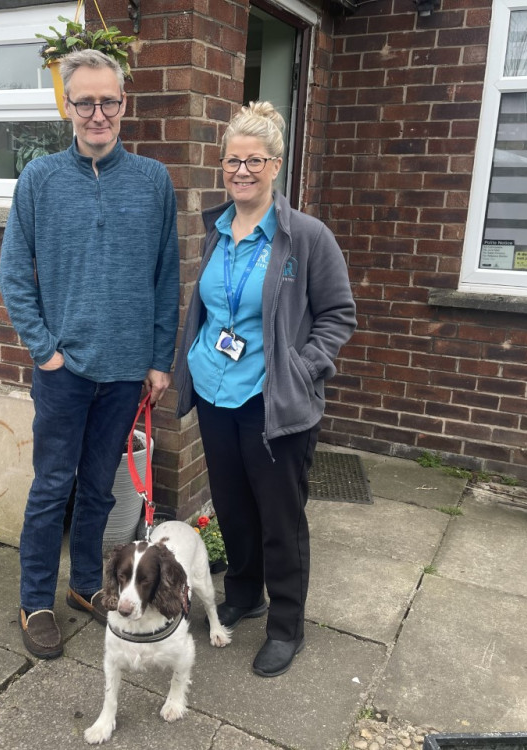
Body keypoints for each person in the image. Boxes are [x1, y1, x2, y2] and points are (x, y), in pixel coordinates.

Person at [0, 49, 179, 660]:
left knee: (100, 491)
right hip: (64, 371)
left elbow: (165, 277)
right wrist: (44, 351)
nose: (97, 113)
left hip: (127, 372)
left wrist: (159, 360)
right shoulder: (40, 180)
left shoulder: (153, 181)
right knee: (52, 488)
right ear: (67, 106)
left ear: (124, 106)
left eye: (109, 101)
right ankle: (35, 600)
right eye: (85, 102)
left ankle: (83, 588)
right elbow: (13, 275)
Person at [174, 101, 356, 678]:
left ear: (276, 165)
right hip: (215, 392)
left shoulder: (305, 236)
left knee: (281, 518)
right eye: (233, 160)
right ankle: (246, 592)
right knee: (231, 507)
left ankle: (286, 625)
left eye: (255, 160)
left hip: (272, 401)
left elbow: (337, 314)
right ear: (221, 164)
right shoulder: (217, 229)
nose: (243, 171)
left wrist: (303, 367)